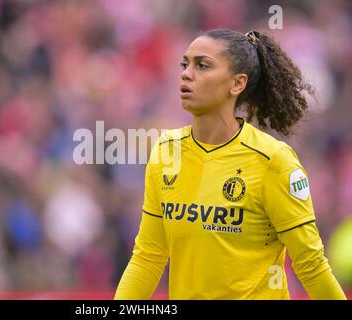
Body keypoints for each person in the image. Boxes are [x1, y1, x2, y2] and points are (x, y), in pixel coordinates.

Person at [114, 29, 346, 299]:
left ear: (237, 84)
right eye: (185, 64)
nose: (187, 74)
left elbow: (311, 266)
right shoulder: (166, 152)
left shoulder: (273, 160)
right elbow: (148, 258)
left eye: (203, 65)